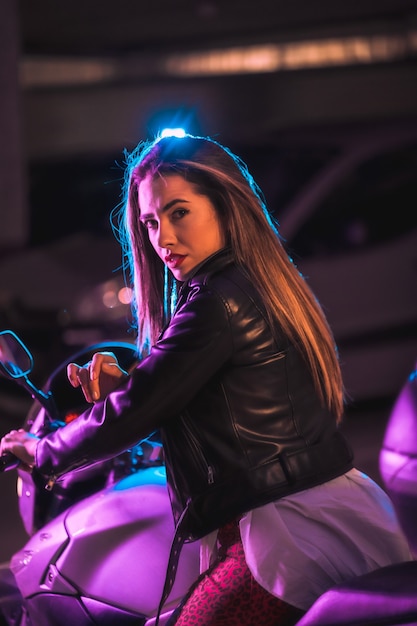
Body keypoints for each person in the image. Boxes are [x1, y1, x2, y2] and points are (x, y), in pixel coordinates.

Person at [1, 133, 412, 625]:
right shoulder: (264, 283)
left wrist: (43, 453)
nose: (163, 239)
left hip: (282, 534)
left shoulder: (218, 302)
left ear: (223, 205)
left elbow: (138, 406)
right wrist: (131, 390)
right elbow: (204, 396)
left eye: (179, 213)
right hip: (326, 510)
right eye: (151, 222)